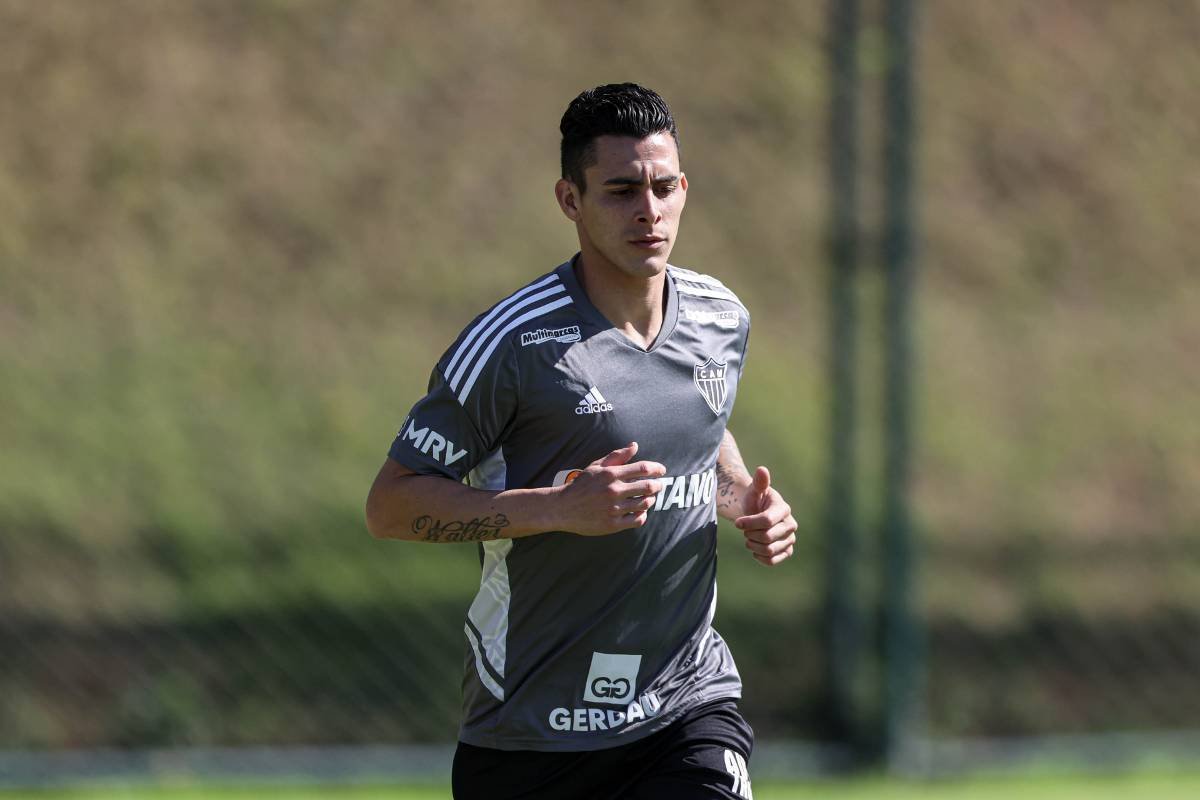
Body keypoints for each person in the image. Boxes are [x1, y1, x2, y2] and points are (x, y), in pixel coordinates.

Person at [366, 82, 797, 800]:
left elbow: (703, 420)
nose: (648, 211)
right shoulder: (513, 345)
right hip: (532, 726)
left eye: (663, 187)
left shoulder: (721, 317)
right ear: (570, 199)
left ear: (685, 188)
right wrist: (556, 510)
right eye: (621, 190)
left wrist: (742, 498)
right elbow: (391, 507)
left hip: (684, 701)